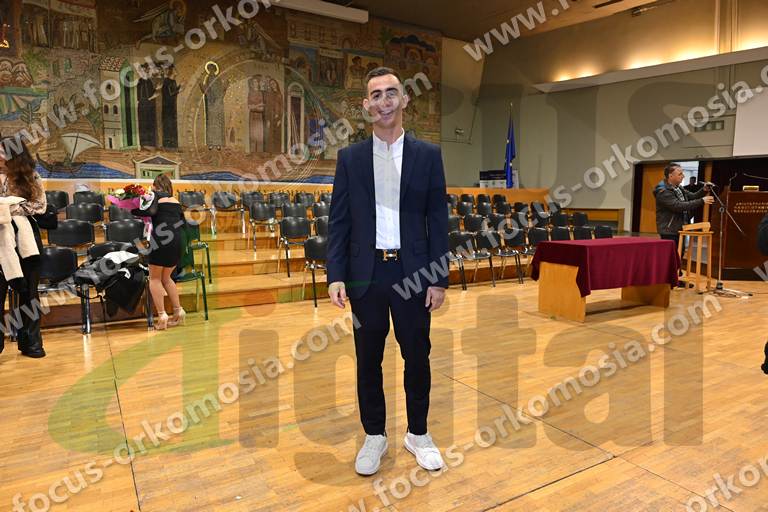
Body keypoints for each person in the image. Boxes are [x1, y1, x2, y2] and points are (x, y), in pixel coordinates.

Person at [327, 67, 449, 476]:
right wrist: (336, 274)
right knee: (368, 360)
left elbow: (438, 219)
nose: (384, 101)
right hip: (366, 276)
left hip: (414, 273)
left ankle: (418, 434)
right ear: (366, 105)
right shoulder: (350, 159)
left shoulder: (427, 155)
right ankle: (374, 435)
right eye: (376, 95)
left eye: (391, 93)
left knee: (417, 356)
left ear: (404, 99)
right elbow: (339, 222)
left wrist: (438, 277)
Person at [0, 137, 47, 357]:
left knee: (29, 293)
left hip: (27, 239)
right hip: (1, 239)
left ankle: (31, 343)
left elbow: (39, 206)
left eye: (2, 152)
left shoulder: (31, 177)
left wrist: (7, 208)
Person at [132, 174, 185, 330]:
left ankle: (162, 316)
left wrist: (132, 208)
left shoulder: (154, 197)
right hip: (176, 241)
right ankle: (178, 311)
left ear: (155, 186)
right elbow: (182, 222)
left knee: (154, 279)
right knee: (167, 278)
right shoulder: (176, 202)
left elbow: (147, 212)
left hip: (160, 242)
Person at [653, 163, 714, 258]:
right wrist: (702, 201)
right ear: (670, 176)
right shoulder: (663, 191)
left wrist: (704, 190)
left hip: (681, 227)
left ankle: (678, 268)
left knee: (679, 254)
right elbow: (678, 206)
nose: (683, 176)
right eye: (680, 174)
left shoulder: (678, 187)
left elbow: (692, 196)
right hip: (670, 229)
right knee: (671, 256)